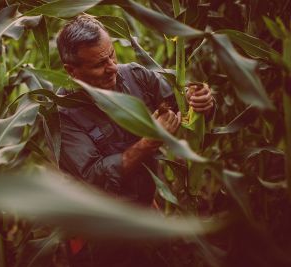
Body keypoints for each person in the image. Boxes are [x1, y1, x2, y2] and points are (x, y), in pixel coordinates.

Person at [55, 14, 214, 267]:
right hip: (99, 230)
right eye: (99, 64)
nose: (113, 67)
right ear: (71, 71)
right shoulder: (63, 114)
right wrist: (148, 142)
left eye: (112, 55)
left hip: (145, 212)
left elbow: (180, 102)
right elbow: (95, 177)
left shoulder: (135, 76)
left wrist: (201, 100)